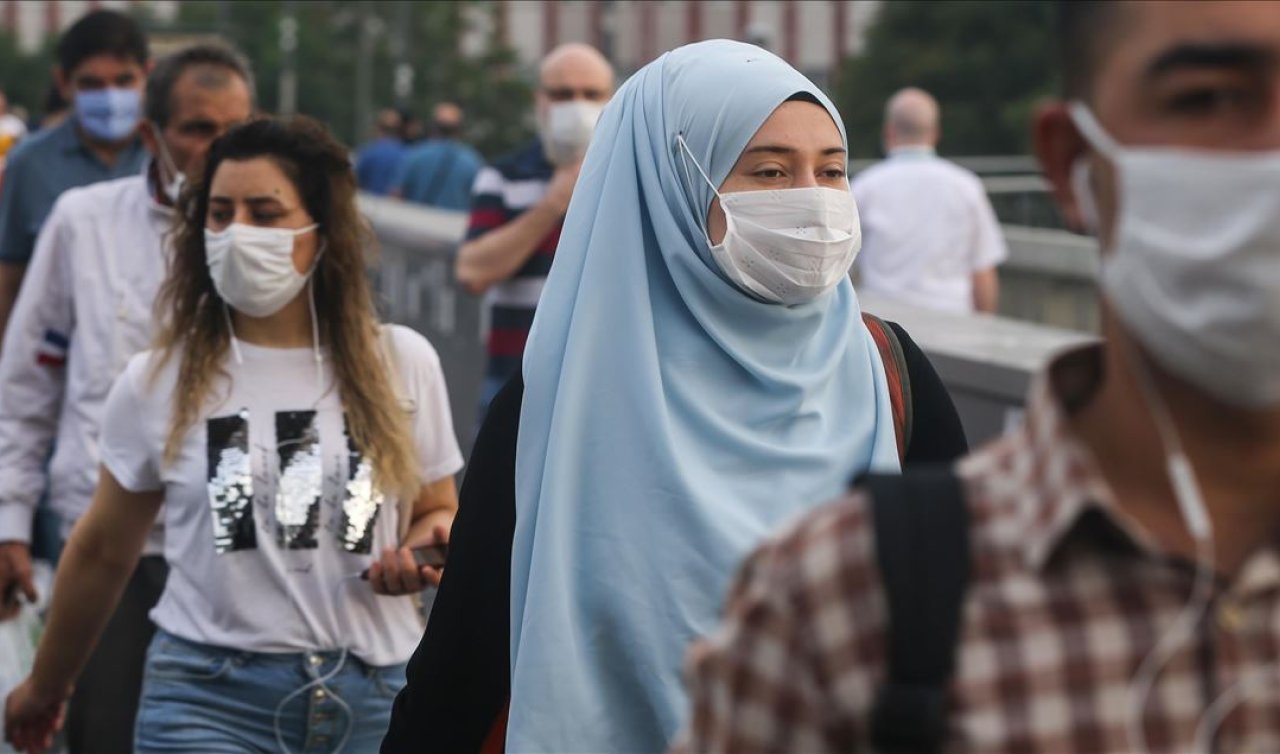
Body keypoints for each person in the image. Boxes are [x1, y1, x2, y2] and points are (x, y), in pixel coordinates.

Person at [675, 2, 1280, 752]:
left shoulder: (883, 409)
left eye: (831, 172)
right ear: (1071, 163)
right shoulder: (843, 602)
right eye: (1208, 99)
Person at [381, 40, 969, 754]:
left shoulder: (890, 379)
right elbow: (464, 665)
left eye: (832, 170)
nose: (813, 200)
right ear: (672, 186)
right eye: (770, 171)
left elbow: (969, 629)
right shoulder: (562, 406)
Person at [3, 116, 464, 754]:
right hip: (206, 699)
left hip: (375, 698)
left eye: (265, 212)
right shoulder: (159, 379)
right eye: (219, 213)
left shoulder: (402, 362)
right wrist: (45, 688)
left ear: (321, 232)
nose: (236, 231)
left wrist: (421, 549)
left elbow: (437, 507)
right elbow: (103, 550)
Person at [0, 43, 255, 754]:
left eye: (235, 129)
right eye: (197, 129)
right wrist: (9, 518)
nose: (218, 149)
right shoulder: (84, 222)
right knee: (105, 729)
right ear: (152, 135)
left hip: (238, 543)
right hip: (108, 536)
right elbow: (27, 382)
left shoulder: (273, 235)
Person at [453, 42, 614, 423]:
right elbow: (472, 272)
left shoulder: (631, 175)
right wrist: (552, 204)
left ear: (611, 99)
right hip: (516, 386)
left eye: (590, 94)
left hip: (605, 390)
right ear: (539, 100)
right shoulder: (505, 176)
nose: (576, 105)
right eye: (562, 94)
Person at [0, 10, 150, 345]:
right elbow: (11, 277)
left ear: (147, 75)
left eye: (124, 81)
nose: (110, 96)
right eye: (92, 84)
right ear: (64, 83)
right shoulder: (29, 164)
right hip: (59, 359)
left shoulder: (169, 156)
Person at [852, 87, 1007, 314]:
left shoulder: (863, 188)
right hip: (951, 320)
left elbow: (841, 267)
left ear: (889, 132)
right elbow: (983, 271)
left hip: (884, 327)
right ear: (935, 133)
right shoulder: (966, 186)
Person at [389, 102, 483, 211]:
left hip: (415, 225)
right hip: (456, 225)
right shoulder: (472, 161)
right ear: (459, 129)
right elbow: (479, 201)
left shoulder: (415, 155)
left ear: (433, 126)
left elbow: (396, 195)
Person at [355, 108, 407, 196]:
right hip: (399, 207)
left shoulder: (368, 152)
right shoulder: (408, 154)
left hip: (370, 205)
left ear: (378, 128)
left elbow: (355, 182)